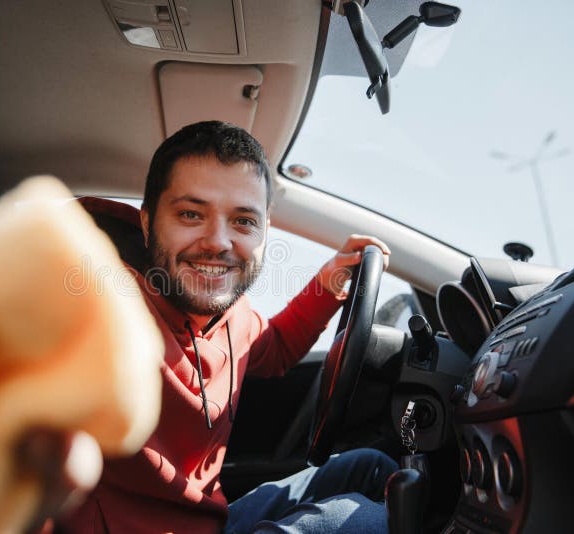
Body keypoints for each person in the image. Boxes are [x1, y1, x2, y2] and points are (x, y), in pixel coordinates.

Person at [56, 121, 398, 533]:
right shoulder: (97, 300)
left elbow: (276, 349)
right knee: (365, 521)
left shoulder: (233, 313)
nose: (218, 241)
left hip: (207, 521)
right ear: (148, 223)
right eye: (190, 214)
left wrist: (329, 283)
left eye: (243, 222)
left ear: (265, 230)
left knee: (372, 469)